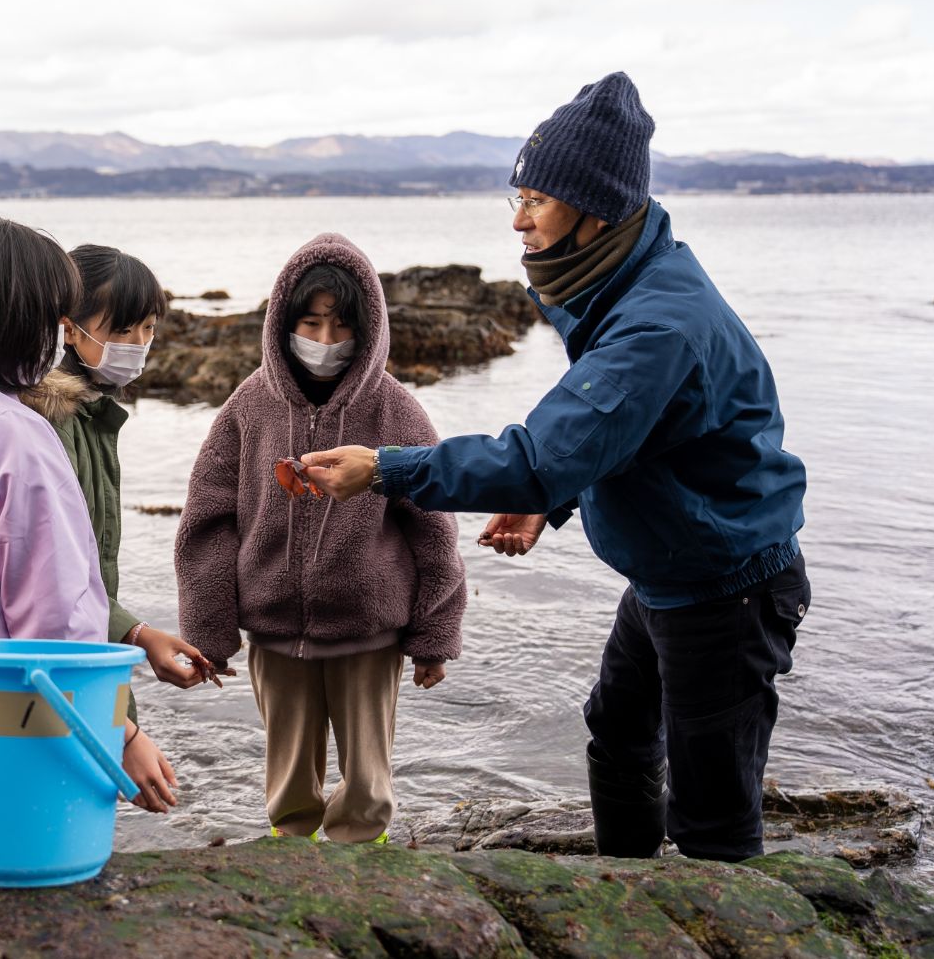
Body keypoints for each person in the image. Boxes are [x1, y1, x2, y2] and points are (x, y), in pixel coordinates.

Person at [301, 72, 810, 863]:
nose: (518, 220)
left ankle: (718, 919)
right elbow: (623, 435)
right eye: (518, 194)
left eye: (537, 199)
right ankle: (627, 891)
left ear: (596, 207)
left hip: (727, 590)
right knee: (617, 734)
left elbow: (543, 454)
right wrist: (556, 496)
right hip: (674, 574)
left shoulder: (655, 324)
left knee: (713, 813)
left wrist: (388, 469)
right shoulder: (630, 281)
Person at [175, 233, 466, 844]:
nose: (326, 342)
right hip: (274, 630)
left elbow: (435, 530)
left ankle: (364, 858)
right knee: (287, 779)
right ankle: (292, 858)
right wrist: (210, 632)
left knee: (366, 779)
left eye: (342, 327)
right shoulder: (247, 406)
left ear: (370, 330)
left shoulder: (396, 411)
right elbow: (207, 521)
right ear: (283, 324)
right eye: (311, 323)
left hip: (369, 630)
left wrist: (433, 636)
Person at [0, 216, 177, 812]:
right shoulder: (12, 434)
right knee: (41, 862)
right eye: (54, 317)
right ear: (18, 317)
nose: (59, 335)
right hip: (26, 701)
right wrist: (120, 733)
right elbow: (54, 613)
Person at [20, 243, 217, 691]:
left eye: (148, 328)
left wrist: (131, 636)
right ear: (68, 330)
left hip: (85, 654)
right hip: (64, 670)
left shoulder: (91, 413)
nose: (139, 345)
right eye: (123, 330)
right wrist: (137, 636)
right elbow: (56, 575)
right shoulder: (55, 422)